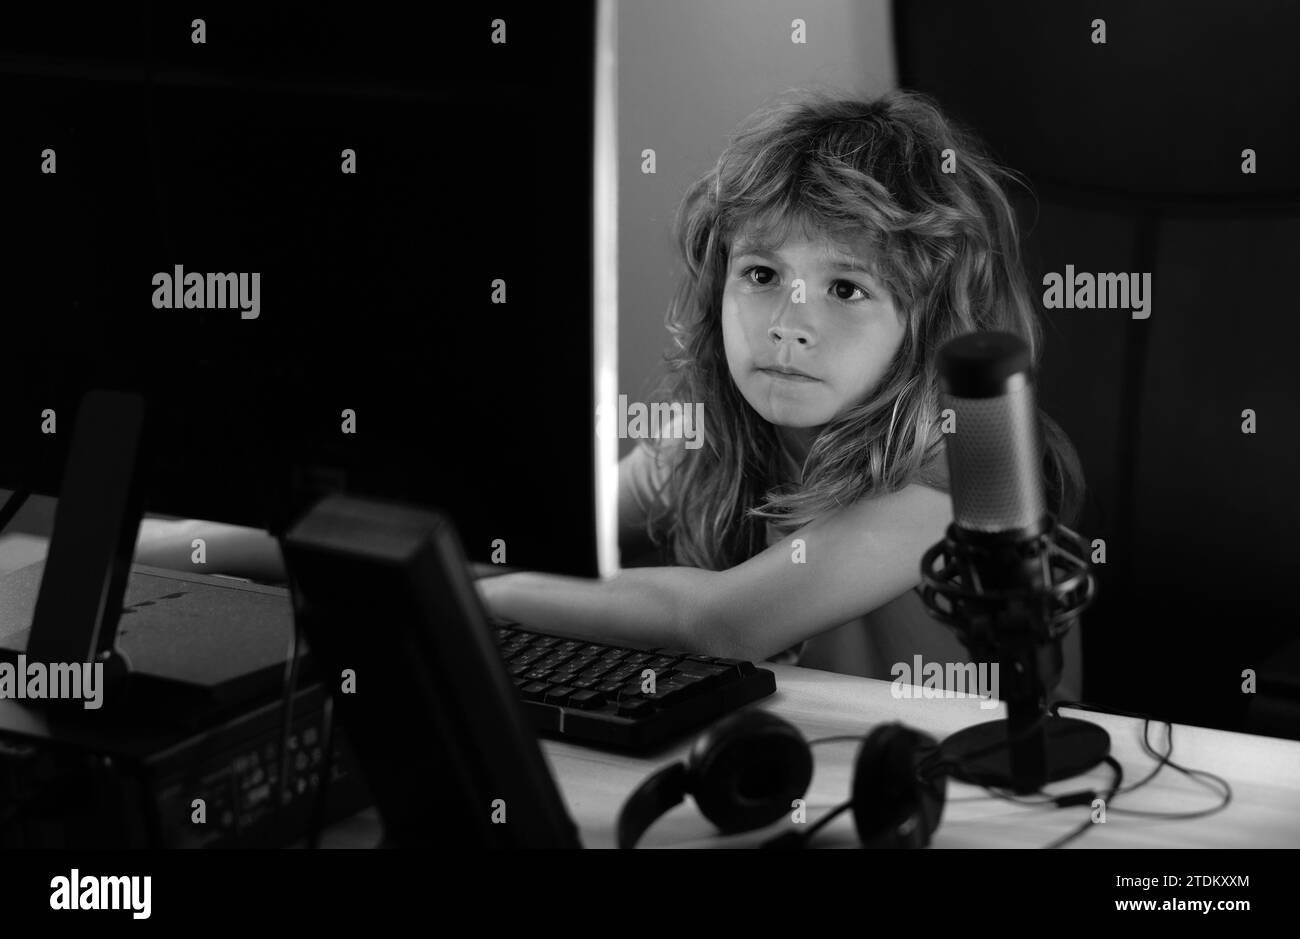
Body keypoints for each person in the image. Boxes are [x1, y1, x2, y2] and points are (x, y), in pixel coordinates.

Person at [136, 87, 1087, 700]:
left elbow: (715, 619)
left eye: (846, 288)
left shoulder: (959, 481)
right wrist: (206, 542)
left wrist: (456, 585)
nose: (789, 321)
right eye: (761, 273)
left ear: (928, 323)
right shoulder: (712, 439)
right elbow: (524, 531)